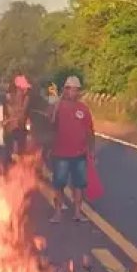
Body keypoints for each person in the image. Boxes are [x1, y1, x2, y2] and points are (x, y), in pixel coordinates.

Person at [50, 76, 95, 224]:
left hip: (79, 153)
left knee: (79, 185)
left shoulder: (83, 108)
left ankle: (77, 212)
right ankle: (57, 213)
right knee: (59, 185)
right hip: (60, 153)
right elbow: (50, 125)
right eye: (70, 89)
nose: (73, 92)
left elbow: (90, 131)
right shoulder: (58, 106)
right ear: (65, 90)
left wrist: (92, 151)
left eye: (76, 89)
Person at [3, 75, 30, 161]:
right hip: (13, 131)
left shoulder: (25, 98)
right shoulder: (11, 99)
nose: (26, 90)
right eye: (23, 88)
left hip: (18, 130)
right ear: (18, 88)